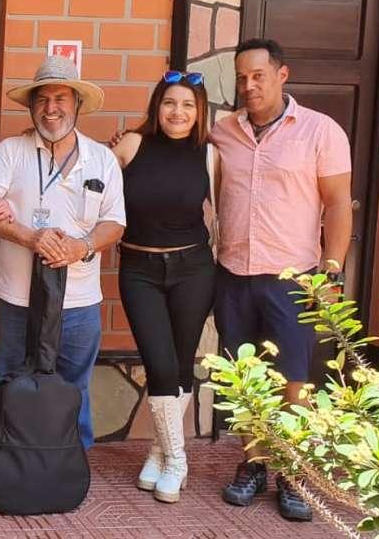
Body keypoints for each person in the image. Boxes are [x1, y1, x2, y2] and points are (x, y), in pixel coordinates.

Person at [212, 38, 352, 522]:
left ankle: (292, 474)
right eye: (242, 78)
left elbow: (338, 203)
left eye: (259, 76)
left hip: (292, 278)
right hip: (233, 275)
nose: (249, 86)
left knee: (294, 381)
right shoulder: (223, 132)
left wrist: (331, 269)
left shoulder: (320, 130)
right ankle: (253, 464)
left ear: (281, 75)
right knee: (246, 380)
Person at [0, 55, 126, 450]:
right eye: (42, 99)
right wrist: (31, 238)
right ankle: (12, 461)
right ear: (31, 106)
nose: (51, 108)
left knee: (74, 388)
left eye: (60, 98)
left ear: (77, 103)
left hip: (79, 301)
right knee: (14, 383)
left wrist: (81, 246)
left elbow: (115, 223)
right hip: (18, 299)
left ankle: (70, 464)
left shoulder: (102, 159)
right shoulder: (11, 151)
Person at [110, 71, 216, 504]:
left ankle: (160, 454)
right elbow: (86, 172)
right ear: (157, 106)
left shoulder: (210, 154)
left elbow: (225, 213)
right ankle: (177, 459)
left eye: (188, 105)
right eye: (170, 103)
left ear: (199, 111)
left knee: (180, 362)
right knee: (159, 363)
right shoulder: (131, 144)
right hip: (139, 269)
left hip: (194, 268)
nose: (178, 112)